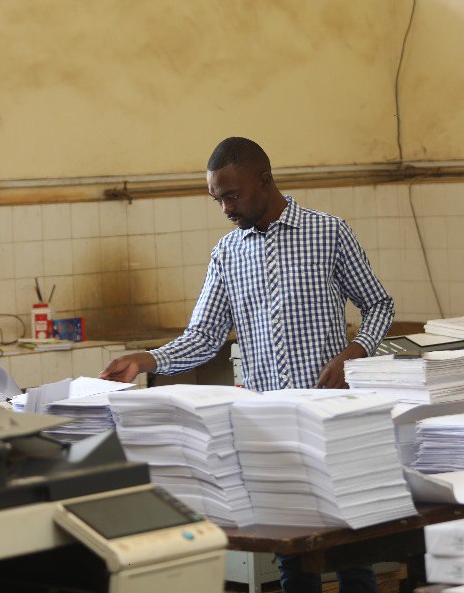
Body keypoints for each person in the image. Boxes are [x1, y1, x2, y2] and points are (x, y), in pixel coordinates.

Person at [101, 137, 393, 593]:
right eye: (217, 199)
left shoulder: (329, 232)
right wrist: (147, 359)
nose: (226, 209)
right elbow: (204, 337)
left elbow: (378, 305)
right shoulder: (227, 253)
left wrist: (354, 352)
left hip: (331, 419)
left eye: (232, 196)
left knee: (351, 551)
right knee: (292, 559)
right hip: (269, 431)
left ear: (265, 179)